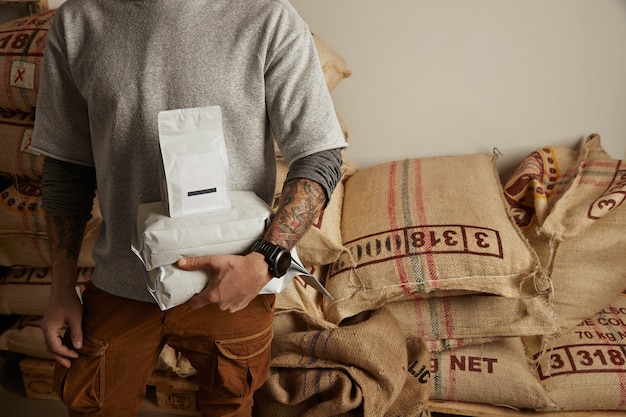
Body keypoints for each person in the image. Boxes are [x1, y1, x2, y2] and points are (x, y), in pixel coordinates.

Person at [31, 0, 347, 416]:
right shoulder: (78, 21)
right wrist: (59, 290)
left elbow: (319, 155)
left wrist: (264, 261)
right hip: (124, 281)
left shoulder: (268, 18)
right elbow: (67, 169)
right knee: (92, 403)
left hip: (233, 280)